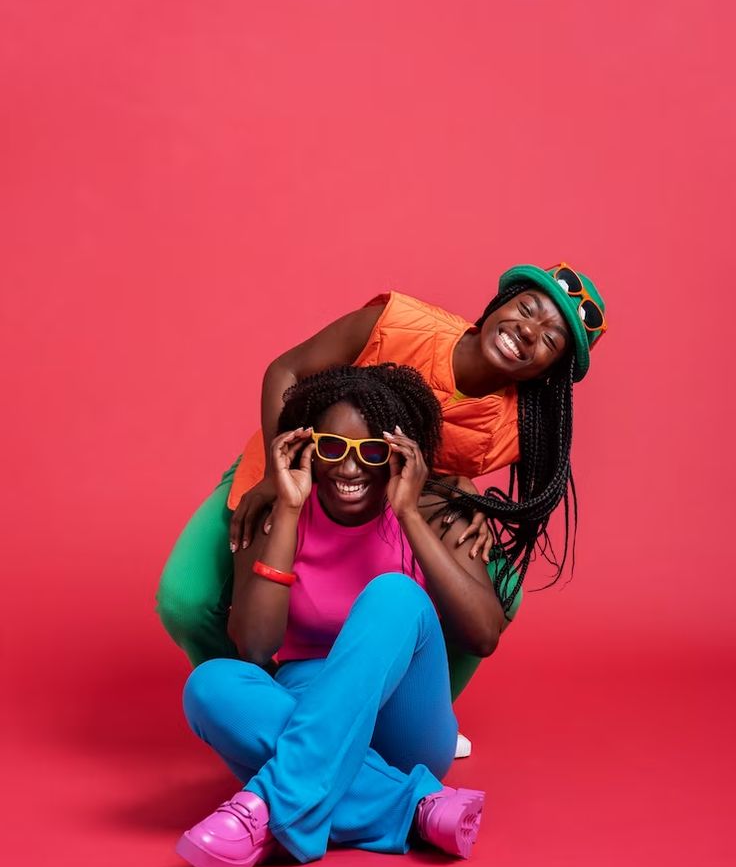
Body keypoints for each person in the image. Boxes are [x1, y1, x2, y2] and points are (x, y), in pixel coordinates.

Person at [157, 261, 607, 699]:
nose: (529, 332)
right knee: (186, 601)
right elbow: (286, 371)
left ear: (552, 371)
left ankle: (415, 708)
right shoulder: (400, 322)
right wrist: (278, 476)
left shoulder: (516, 428)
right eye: (527, 310)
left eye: (551, 339)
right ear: (500, 303)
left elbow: (431, 464)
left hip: (369, 503)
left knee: (502, 595)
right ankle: (257, 698)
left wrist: (466, 494)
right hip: (288, 471)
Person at [177, 363, 512, 867]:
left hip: (404, 727)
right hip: (306, 708)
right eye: (332, 448)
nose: (349, 468)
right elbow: (255, 647)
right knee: (210, 684)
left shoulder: (439, 507)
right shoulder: (270, 508)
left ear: (399, 455)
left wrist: (409, 515)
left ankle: (265, 806)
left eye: (373, 452)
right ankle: (415, 805)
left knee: (394, 595)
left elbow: (483, 633)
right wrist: (288, 510)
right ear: (309, 448)